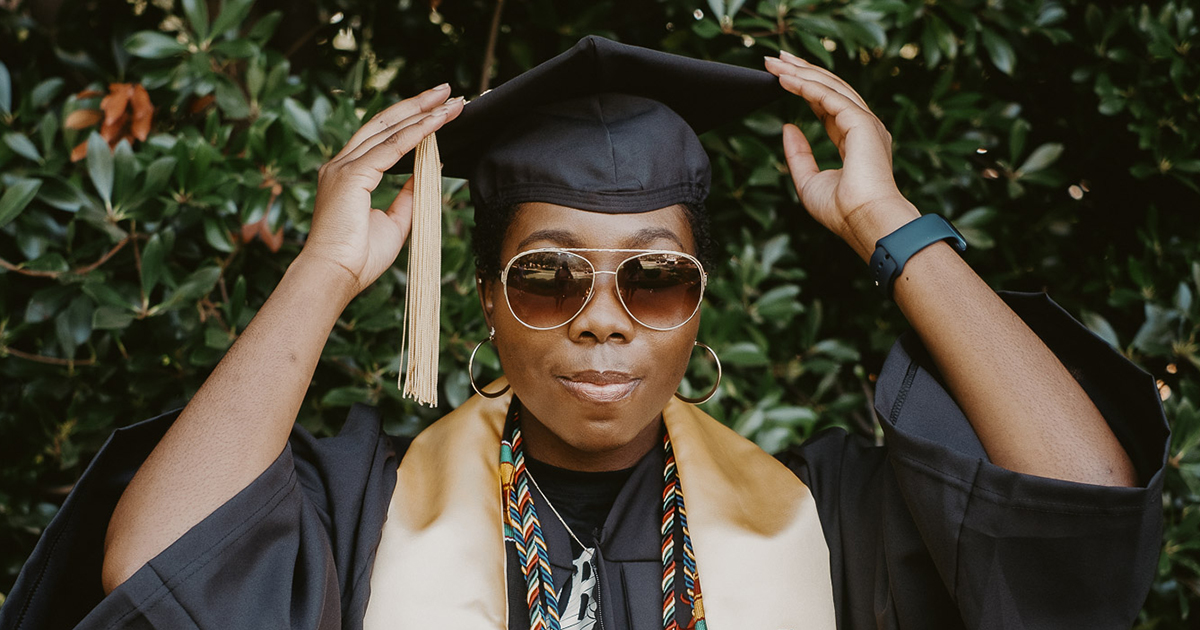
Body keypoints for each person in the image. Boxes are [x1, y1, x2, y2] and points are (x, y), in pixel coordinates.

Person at [0, 36, 1168, 630]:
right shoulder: (360, 502)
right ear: (489, 305)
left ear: (701, 300)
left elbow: (1079, 501)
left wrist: (887, 222)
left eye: (656, 279)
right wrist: (324, 269)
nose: (604, 317)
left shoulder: (833, 519)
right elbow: (152, 576)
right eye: (548, 278)